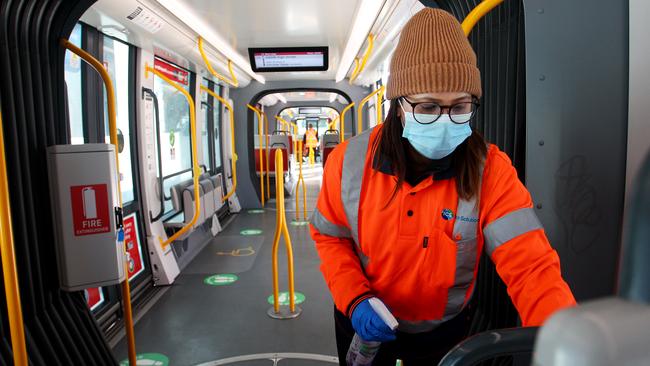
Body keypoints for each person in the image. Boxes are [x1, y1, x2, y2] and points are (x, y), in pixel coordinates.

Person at [310, 8, 576, 365]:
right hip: (362, 323)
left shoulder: (490, 170)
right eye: (428, 106)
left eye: (459, 106)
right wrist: (354, 298)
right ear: (399, 106)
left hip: (445, 336)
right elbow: (331, 239)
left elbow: (532, 267)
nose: (444, 120)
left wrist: (564, 344)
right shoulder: (347, 162)